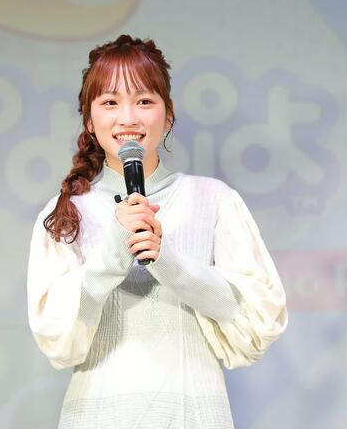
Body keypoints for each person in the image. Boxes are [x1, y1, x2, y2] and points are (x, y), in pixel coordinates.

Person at [26, 34, 288, 428]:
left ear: (168, 115)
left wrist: (169, 262)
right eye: (110, 102)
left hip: (191, 414)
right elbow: (57, 338)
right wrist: (113, 254)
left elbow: (257, 320)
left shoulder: (214, 200)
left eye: (144, 101)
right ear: (89, 119)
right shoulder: (66, 213)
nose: (128, 118)